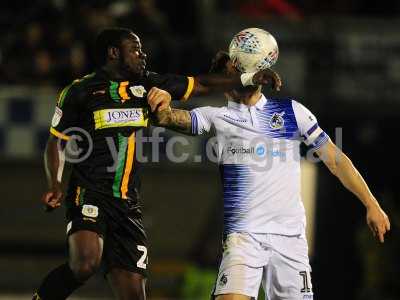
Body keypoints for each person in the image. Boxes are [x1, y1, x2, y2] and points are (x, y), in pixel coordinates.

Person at [32, 27, 282, 300]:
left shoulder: (149, 84)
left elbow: (203, 84)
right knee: (85, 264)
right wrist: (55, 183)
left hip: (127, 205)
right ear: (114, 53)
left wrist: (250, 77)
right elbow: (56, 142)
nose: (143, 54)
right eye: (135, 49)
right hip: (89, 192)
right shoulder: (79, 92)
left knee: (134, 296)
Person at [150, 48, 391, 299]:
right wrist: (162, 103)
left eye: (245, 69)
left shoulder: (293, 111)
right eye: (234, 73)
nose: (244, 75)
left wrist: (371, 203)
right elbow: (168, 118)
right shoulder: (217, 116)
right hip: (244, 237)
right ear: (225, 84)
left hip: (290, 238)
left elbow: (336, 160)